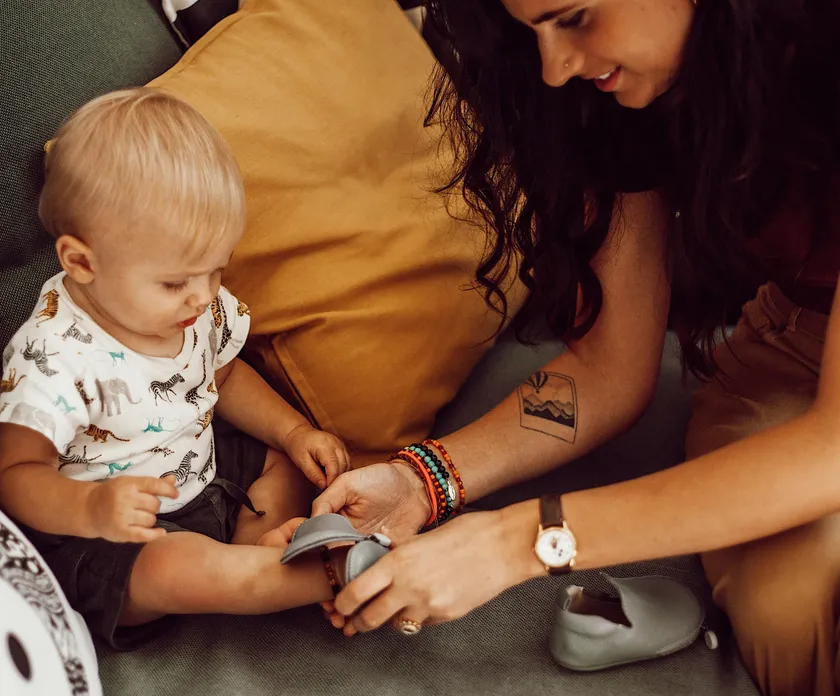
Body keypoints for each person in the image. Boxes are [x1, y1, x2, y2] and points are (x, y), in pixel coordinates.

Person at [310, 0, 840, 693]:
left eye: (575, 17)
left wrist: (520, 542)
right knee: (797, 614)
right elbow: (607, 370)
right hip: (789, 353)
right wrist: (422, 481)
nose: (554, 69)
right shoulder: (621, 103)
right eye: (531, 29)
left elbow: (830, 450)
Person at [0, 88, 353, 649]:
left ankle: (250, 555)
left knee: (288, 465)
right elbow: (15, 474)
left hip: (203, 474)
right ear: (82, 261)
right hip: (111, 536)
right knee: (167, 567)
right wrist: (91, 508)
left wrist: (294, 432)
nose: (203, 296)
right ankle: (308, 575)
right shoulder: (53, 354)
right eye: (175, 282)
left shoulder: (195, 308)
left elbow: (224, 376)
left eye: (216, 270)